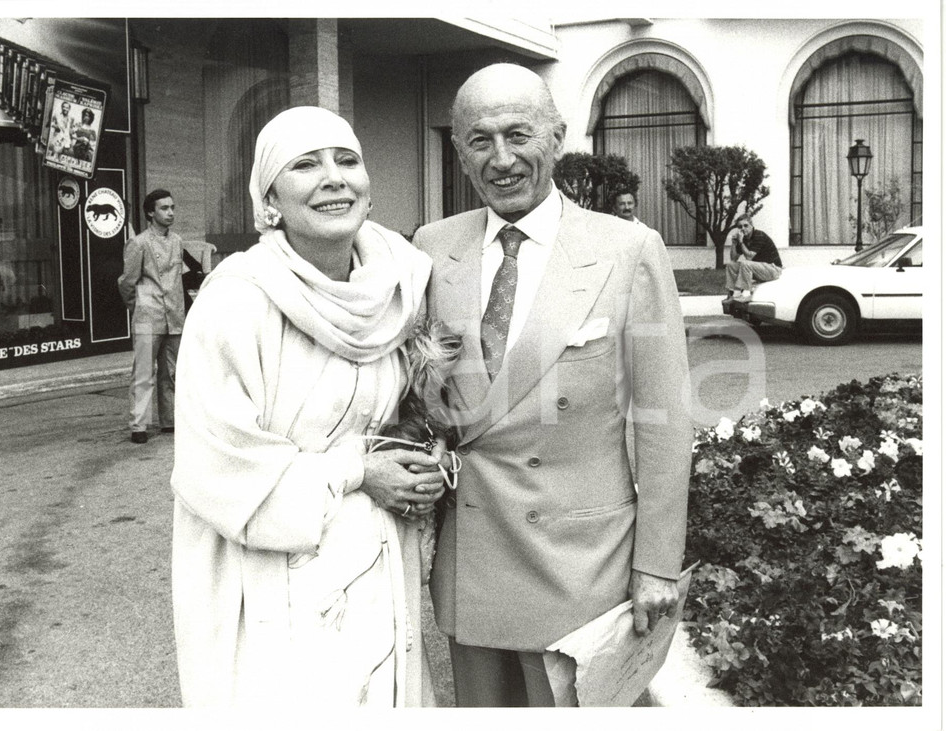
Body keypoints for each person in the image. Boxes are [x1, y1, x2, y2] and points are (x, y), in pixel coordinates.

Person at [413, 63, 692, 707]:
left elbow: (665, 423)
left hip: (580, 562)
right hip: (474, 556)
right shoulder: (431, 247)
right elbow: (413, 392)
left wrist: (656, 563)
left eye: (519, 135)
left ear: (558, 137)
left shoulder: (627, 249)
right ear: (457, 149)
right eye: (480, 140)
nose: (502, 159)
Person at [170, 106, 446, 708]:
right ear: (269, 202)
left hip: (377, 568)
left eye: (347, 160)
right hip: (269, 579)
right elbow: (216, 473)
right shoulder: (236, 303)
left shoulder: (401, 289)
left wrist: (422, 456)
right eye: (305, 165)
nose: (333, 177)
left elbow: (405, 413)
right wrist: (360, 470)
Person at [117, 189, 185, 444]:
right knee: (144, 372)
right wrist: (138, 306)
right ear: (150, 212)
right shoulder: (139, 243)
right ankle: (139, 426)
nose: (170, 213)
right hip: (148, 314)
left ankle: (170, 421)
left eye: (172, 207)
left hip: (174, 315)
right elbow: (127, 281)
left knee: (172, 372)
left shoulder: (177, 241)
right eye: (164, 208)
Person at [724, 213, 783, 302]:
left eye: (746, 225)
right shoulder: (743, 239)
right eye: (740, 227)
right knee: (731, 265)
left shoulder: (759, 235)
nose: (743, 228)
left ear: (752, 226)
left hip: (773, 269)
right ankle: (732, 294)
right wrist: (734, 243)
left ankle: (745, 294)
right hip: (758, 269)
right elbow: (733, 258)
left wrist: (740, 242)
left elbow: (749, 257)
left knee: (745, 263)